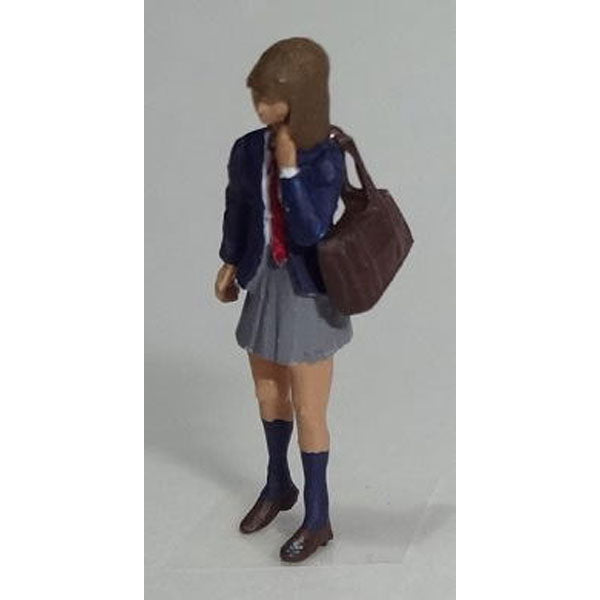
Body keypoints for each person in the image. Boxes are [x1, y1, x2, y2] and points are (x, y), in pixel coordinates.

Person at [214, 37, 352, 562]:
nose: (261, 107)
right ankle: (278, 484)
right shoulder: (248, 149)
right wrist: (230, 260)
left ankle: (318, 517)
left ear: (302, 97)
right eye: (258, 96)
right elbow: (237, 207)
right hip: (265, 280)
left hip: (306, 290)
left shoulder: (326, 154)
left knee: (310, 408)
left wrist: (291, 172)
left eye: (271, 98)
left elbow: (314, 229)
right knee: (268, 392)